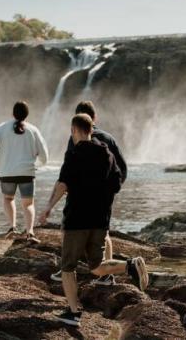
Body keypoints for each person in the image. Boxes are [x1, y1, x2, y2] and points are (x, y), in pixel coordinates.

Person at [38, 114, 148, 327]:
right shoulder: (107, 153)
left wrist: (48, 208)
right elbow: (116, 184)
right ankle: (130, 265)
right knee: (96, 266)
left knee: (68, 268)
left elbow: (62, 184)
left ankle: (73, 313)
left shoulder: (74, 154)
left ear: (74, 130)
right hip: (100, 219)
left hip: (77, 219)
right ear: (92, 128)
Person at [49, 101, 128, 286]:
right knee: (104, 233)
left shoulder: (76, 140)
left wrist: (52, 202)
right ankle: (107, 275)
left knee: (67, 229)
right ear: (94, 118)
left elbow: (67, 173)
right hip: (103, 200)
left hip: (80, 202)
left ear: (75, 126)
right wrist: (110, 192)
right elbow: (121, 169)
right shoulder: (109, 139)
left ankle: (67, 269)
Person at [0, 101, 48, 243]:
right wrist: (36, 165)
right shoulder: (33, 130)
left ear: (12, 113)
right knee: (28, 204)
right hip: (27, 172)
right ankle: (30, 232)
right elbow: (44, 154)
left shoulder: (2, 128)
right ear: (27, 115)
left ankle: (12, 228)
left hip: (6, 172)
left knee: (8, 199)